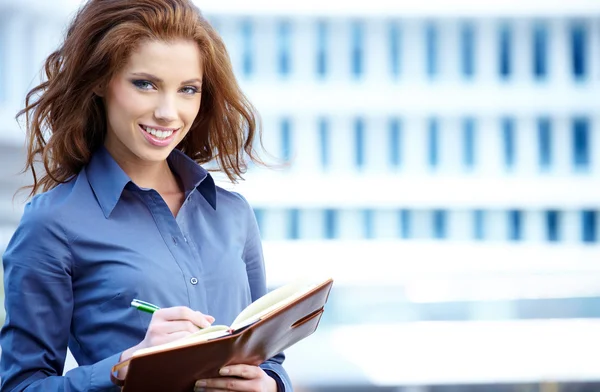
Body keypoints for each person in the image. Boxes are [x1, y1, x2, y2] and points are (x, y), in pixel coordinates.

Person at [0, 0, 292, 391]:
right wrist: (123, 367)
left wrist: (270, 386)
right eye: (145, 84)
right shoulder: (52, 223)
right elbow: (22, 385)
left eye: (188, 89)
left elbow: (271, 361)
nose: (168, 112)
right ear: (101, 82)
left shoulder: (232, 214)